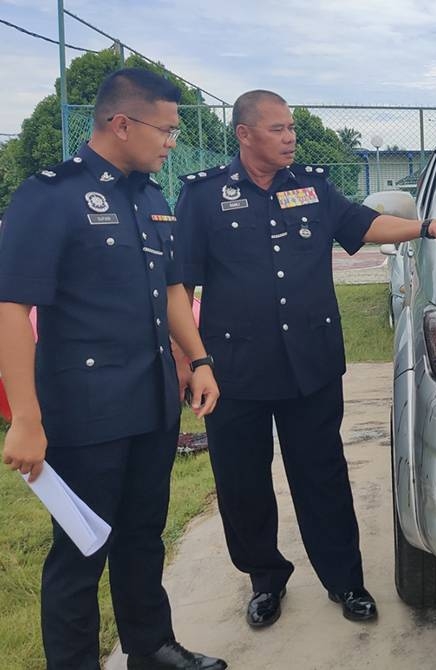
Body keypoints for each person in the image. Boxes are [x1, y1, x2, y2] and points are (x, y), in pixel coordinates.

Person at [174, 90, 436, 627]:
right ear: (244, 134)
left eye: (291, 128)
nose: (290, 137)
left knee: (323, 476)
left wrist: (425, 227)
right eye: (277, 129)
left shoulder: (309, 185)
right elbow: (179, 285)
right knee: (243, 485)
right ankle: (265, 580)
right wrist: (191, 361)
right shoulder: (204, 196)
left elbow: (361, 225)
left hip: (308, 364)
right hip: (234, 371)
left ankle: (345, 581)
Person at [0, 68, 227, 670]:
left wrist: (197, 359)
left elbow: (175, 289)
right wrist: (25, 417)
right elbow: (11, 308)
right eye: (167, 128)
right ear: (122, 123)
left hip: (151, 400)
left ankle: (150, 647)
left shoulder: (152, 196)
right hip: (84, 409)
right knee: (80, 551)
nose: (173, 141)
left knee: (142, 535)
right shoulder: (49, 194)